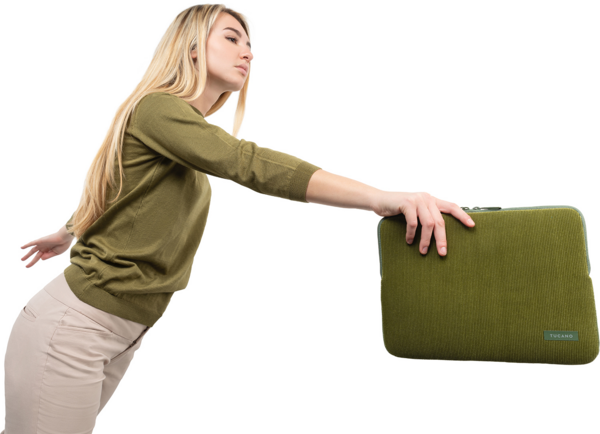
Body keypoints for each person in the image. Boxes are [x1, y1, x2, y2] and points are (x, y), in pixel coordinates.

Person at [3, 4, 475, 432]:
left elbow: (118, 183)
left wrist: (68, 230)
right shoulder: (159, 109)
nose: (247, 52)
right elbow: (247, 163)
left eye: (250, 44)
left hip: (114, 331)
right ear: (191, 46)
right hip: (76, 327)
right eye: (231, 38)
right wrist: (380, 198)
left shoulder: (176, 128)